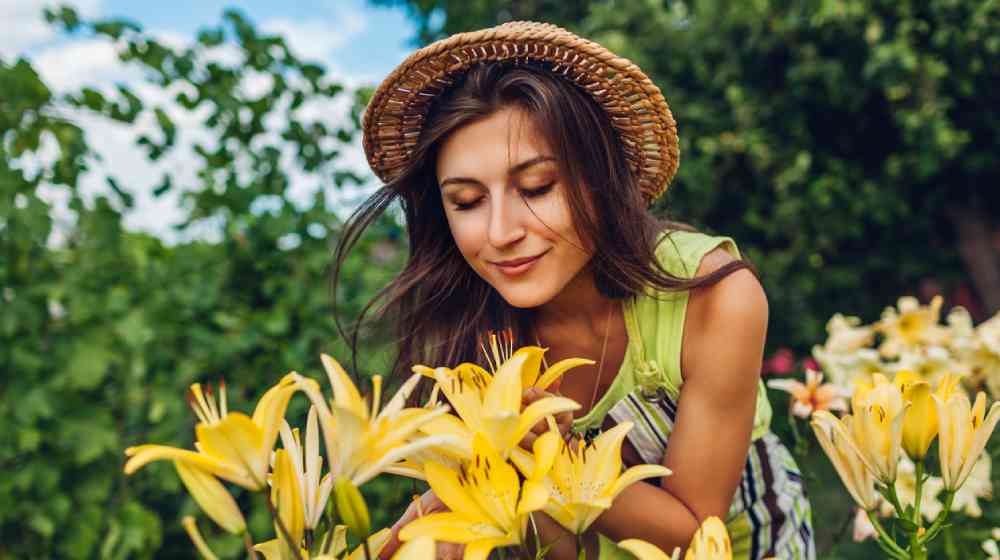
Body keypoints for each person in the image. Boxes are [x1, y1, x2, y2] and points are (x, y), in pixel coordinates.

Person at [336, 21, 814, 560]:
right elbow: (559, 543)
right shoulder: (471, 326)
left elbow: (696, 531)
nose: (500, 234)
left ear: (600, 177)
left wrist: (551, 457)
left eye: (537, 187)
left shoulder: (714, 295)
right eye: (467, 201)